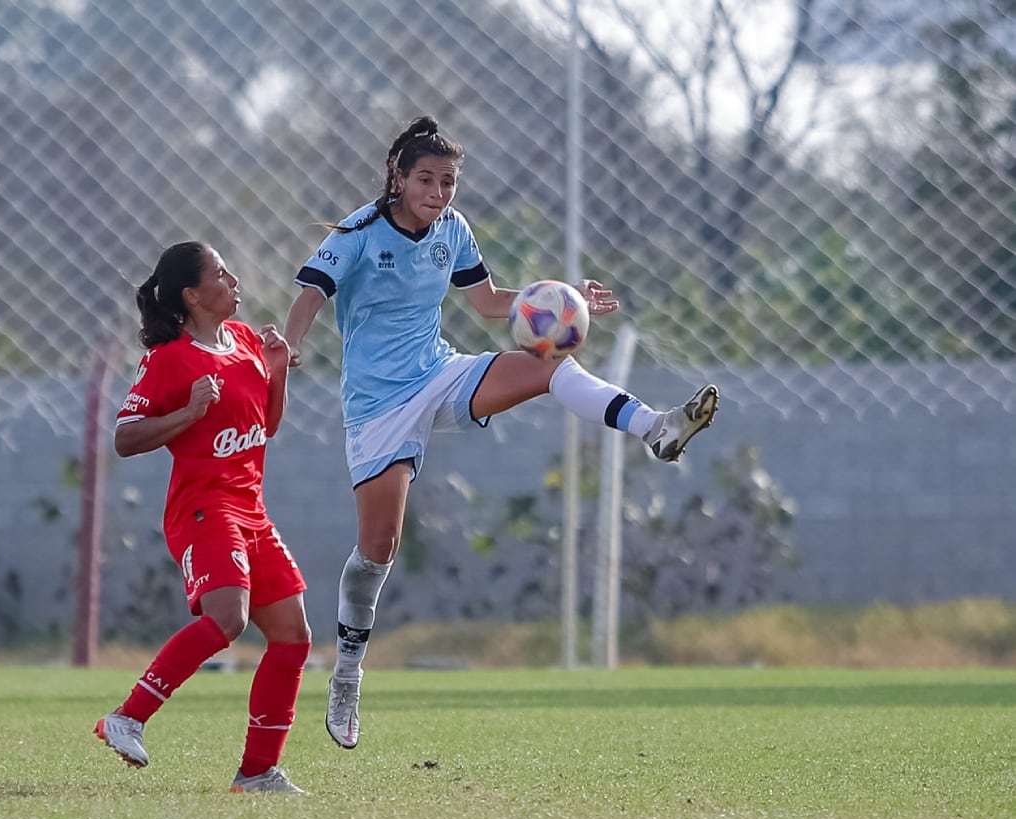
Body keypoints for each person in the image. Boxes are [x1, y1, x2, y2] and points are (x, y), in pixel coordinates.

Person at [284, 115, 719, 750]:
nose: (439, 191)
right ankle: (347, 672)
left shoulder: (453, 230)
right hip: (376, 406)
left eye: (449, 181)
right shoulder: (359, 231)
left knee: (549, 366)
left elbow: (488, 303)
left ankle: (655, 428)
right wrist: (288, 348)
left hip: (440, 372)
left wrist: (564, 298)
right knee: (378, 547)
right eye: (427, 179)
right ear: (399, 178)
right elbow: (308, 295)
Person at [94, 240, 312, 794]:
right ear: (192, 294)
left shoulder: (242, 341)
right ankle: (127, 717)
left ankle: (258, 771)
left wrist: (278, 371)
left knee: (292, 637)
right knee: (228, 617)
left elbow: (266, 428)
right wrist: (188, 411)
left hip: (250, 509)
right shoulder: (171, 358)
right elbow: (124, 438)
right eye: (221, 272)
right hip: (203, 508)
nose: (234, 278)